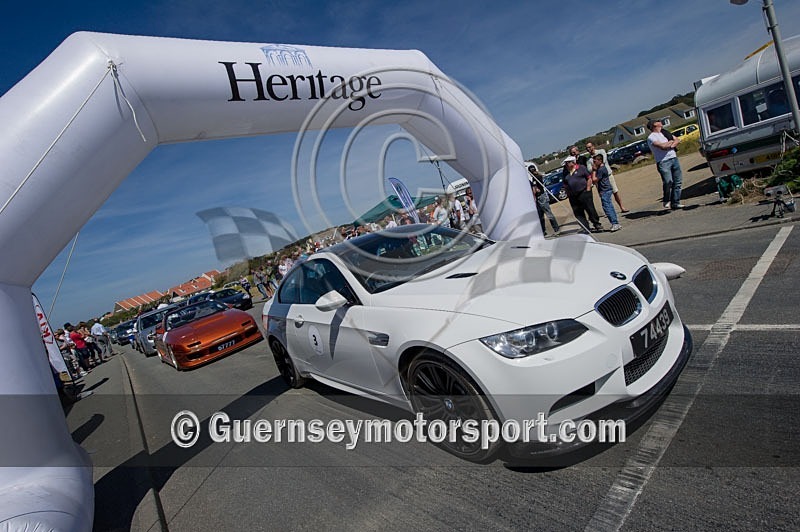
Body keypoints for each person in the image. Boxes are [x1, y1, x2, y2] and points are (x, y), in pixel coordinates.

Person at [646, 119, 685, 210]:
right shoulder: (651, 137)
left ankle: (675, 202)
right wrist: (671, 143)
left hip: (673, 158)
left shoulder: (665, 132)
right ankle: (666, 199)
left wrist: (671, 144)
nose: (660, 123)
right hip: (663, 161)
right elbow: (662, 147)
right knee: (668, 181)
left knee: (677, 181)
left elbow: (677, 140)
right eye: (658, 122)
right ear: (653, 125)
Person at [585, 141, 628, 213]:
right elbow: (589, 169)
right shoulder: (589, 160)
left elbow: (603, 161)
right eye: (587, 148)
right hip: (598, 179)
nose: (588, 149)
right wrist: (595, 167)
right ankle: (607, 210)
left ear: (593, 146)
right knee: (603, 195)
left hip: (608, 175)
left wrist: (595, 167)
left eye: (589, 147)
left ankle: (621, 207)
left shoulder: (601, 151)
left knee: (615, 191)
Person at [563, 156, 602, 232]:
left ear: (573, 162)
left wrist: (588, 190)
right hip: (573, 196)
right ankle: (585, 227)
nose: (566, 164)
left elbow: (589, 178)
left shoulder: (581, 168)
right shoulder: (565, 172)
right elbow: (565, 184)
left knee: (590, 209)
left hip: (584, 192)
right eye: (566, 163)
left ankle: (596, 223)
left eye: (568, 162)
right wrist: (568, 194)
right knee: (578, 212)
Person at [590, 154, 621, 232]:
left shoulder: (601, 169)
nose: (594, 163)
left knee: (607, 207)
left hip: (605, 190)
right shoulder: (601, 169)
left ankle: (615, 223)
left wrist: (593, 170)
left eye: (595, 161)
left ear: (600, 161)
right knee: (609, 206)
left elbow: (594, 179)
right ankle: (615, 222)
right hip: (605, 190)